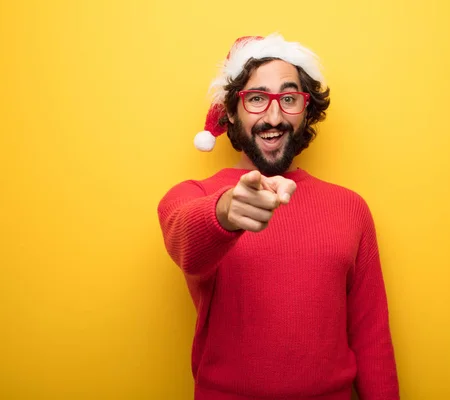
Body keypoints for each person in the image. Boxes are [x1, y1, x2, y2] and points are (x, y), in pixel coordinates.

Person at [157, 33, 400, 400]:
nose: (274, 116)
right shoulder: (195, 196)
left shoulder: (351, 208)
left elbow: (372, 338)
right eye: (256, 99)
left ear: (307, 109)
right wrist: (225, 213)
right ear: (231, 112)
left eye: (289, 99)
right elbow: (184, 238)